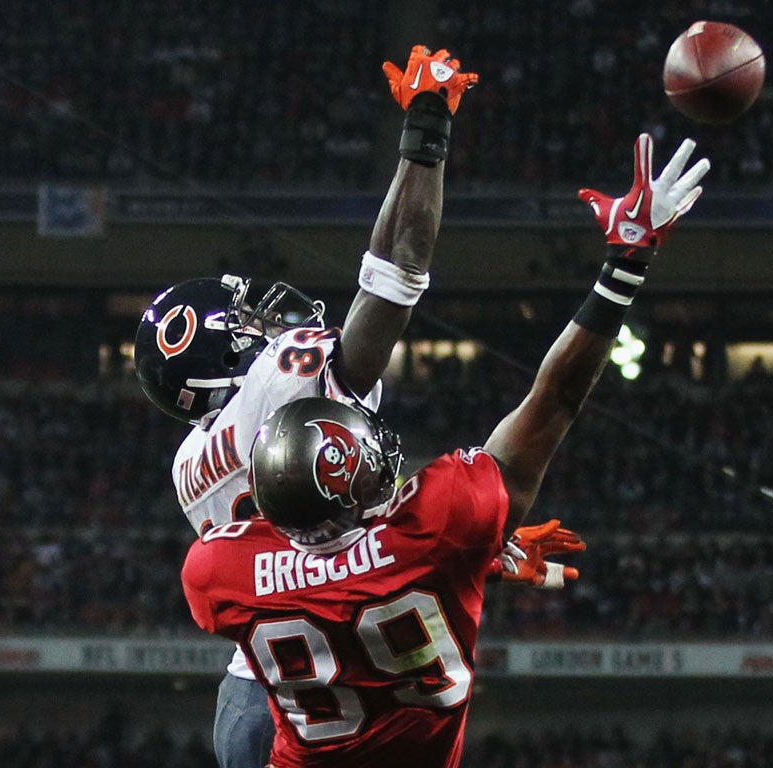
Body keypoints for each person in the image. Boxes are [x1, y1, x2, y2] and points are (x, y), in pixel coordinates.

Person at [181, 132, 711, 767]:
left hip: (262, 720)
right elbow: (554, 399)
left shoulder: (217, 570)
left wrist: (477, 550)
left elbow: (317, 580)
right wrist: (625, 263)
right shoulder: (442, 525)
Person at [134, 46, 577, 768]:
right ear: (218, 358)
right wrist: (424, 138)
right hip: (349, 704)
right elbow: (395, 275)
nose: (265, 326)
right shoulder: (285, 375)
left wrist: (481, 556)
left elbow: (307, 561)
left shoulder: (188, 466)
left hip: (255, 701)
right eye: (244, 324)